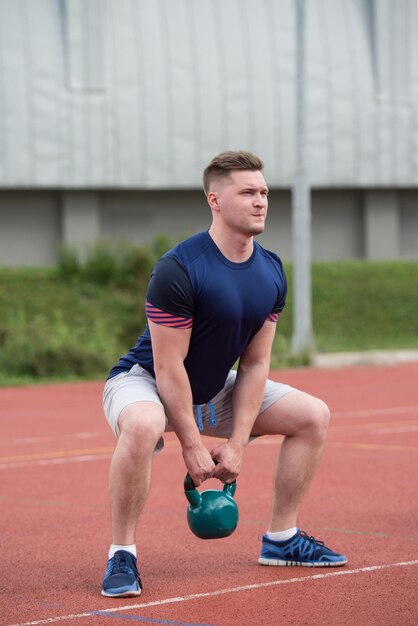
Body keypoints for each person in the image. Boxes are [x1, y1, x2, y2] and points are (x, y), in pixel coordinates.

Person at [101, 150, 347, 597]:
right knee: (142, 425)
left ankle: (281, 539)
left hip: (212, 388)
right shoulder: (179, 269)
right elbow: (168, 366)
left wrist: (236, 446)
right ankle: (122, 554)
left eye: (265, 192)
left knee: (313, 415)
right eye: (248, 192)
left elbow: (254, 363)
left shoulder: (271, 270)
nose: (261, 201)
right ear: (215, 200)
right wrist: (193, 448)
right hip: (145, 381)